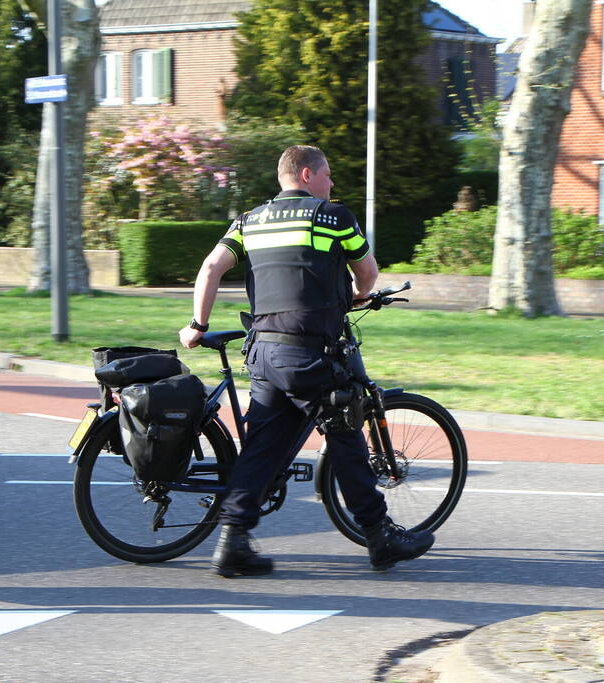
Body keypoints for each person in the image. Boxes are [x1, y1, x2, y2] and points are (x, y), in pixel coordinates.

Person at [179, 145, 434, 577]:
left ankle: (232, 541)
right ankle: (379, 536)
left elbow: (210, 267)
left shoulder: (249, 220)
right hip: (310, 351)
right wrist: (356, 294)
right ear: (307, 174)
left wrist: (196, 325)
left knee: (262, 447)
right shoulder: (333, 216)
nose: (332, 183)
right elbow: (368, 273)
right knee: (347, 435)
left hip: (263, 351)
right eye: (328, 175)